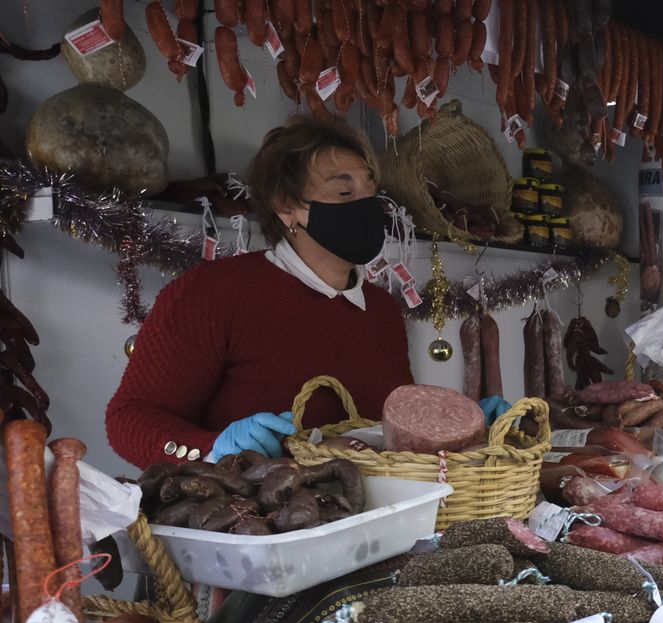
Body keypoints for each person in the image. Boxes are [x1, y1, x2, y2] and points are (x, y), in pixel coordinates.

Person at [106, 116, 507, 469]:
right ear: (286, 208)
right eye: (344, 193)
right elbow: (129, 419)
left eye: (371, 191)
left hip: (364, 523)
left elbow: (382, 436)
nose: (366, 207)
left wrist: (463, 427)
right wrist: (210, 449)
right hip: (253, 527)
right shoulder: (212, 293)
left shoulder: (381, 310)